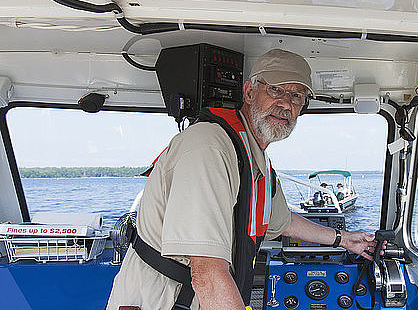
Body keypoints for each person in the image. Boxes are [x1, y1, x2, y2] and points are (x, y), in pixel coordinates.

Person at [107, 49, 380, 310]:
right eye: (275, 89)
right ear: (249, 92)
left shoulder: (254, 157)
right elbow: (207, 273)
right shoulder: (209, 146)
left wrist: (343, 239)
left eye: (297, 96)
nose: (285, 103)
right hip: (164, 300)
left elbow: (281, 221)